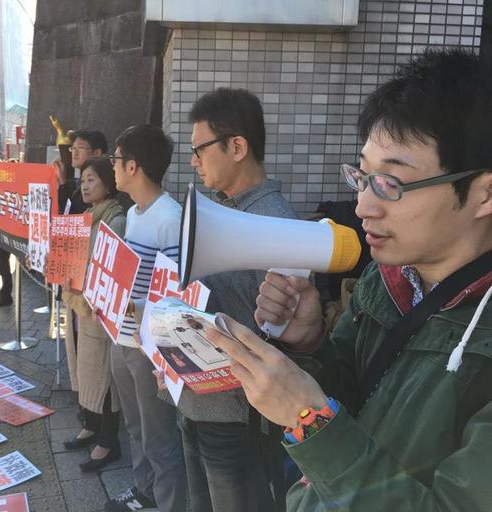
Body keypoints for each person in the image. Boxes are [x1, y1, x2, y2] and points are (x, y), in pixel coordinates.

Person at [207, 49, 492, 511]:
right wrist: (311, 343)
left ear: (485, 194)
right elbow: (360, 397)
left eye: (392, 185)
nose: (362, 207)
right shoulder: (388, 277)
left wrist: (310, 421)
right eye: (362, 176)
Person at [169, 87, 297, 512]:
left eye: (200, 149)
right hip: (198, 399)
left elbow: (287, 339)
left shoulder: (277, 224)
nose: (193, 161)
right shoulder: (222, 209)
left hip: (237, 418)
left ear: (237, 147)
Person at [106, 124, 187, 512]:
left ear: (134, 166)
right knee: (136, 427)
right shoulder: (134, 213)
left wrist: (134, 309)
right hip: (119, 336)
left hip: (147, 347)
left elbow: (174, 295)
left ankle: (169, 502)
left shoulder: (170, 217)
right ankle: (145, 492)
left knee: (158, 435)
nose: (113, 168)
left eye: (116, 160)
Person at [61, 156, 125, 472]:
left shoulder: (115, 219)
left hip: (100, 309)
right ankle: (90, 425)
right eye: (82, 179)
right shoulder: (86, 215)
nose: (85, 185)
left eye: (91, 179)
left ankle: (107, 442)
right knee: (86, 370)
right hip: (79, 303)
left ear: (108, 183)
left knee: (104, 376)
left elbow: (112, 269)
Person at [67, 130, 108, 214]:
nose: (75, 153)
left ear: (96, 153)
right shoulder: (74, 188)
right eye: (73, 148)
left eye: (80, 148)